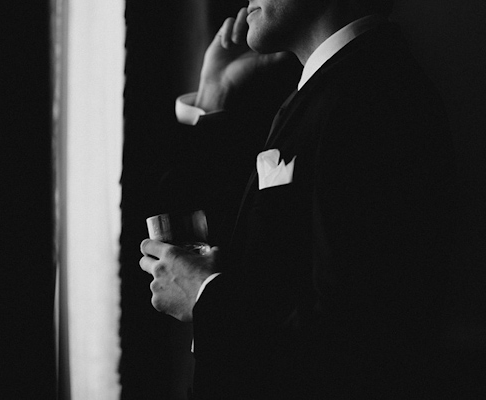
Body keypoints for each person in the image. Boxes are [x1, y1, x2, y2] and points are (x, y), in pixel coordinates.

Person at [140, 0, 457, 398]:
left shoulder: (373, 98)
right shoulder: (337, 86)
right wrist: (214, 91)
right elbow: (245, 239)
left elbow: (351, 343)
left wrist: (206, 297)